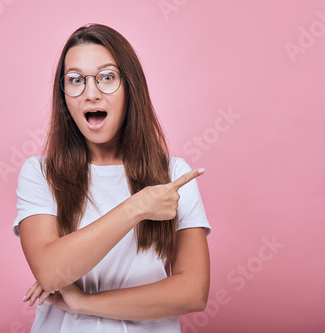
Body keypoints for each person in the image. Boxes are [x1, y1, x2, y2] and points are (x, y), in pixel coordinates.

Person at [12, 23, 211, 333]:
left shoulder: (173, 174)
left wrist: (84, 303)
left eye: (106, 78)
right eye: (76, 80)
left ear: (130, 87)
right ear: (64, 95)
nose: (91, 94)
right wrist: (138, 206)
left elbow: (192, 293)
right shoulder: (40, 173)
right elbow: (51, 273)